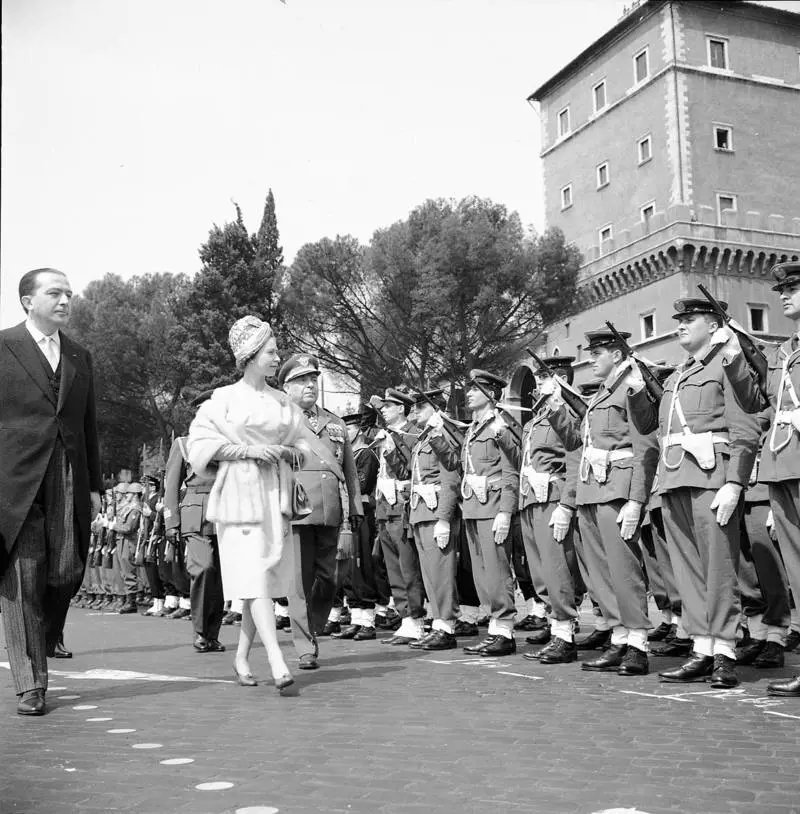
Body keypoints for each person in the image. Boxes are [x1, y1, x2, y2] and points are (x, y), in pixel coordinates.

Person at [626, 299, 761, 689]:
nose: (681, 325)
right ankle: (702, 646)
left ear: (713, 325)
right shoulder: (675, 377)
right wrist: (636, 392)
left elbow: (745, 426)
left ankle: (725, 652)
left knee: (718, 569)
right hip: (673, 480)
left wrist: (734, 482)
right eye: (679, 320)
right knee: (686, 571)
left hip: (710, 478)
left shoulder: (726, 365)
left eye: (690, 319)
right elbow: (651, 428)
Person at [0, 268, 102, 716]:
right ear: (28, 301)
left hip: (67, 474)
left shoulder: (80, 355)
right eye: (55, 293)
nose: (65, 301)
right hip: (12, 482)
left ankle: (41, 635)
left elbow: (88, 425)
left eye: (69, 294)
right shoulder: (3, 346)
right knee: (22, 577)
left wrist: (94, 484)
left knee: (66, 570)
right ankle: (30, 684)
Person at [188, 315, 306, 692]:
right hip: (238, 497)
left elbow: (304, 447)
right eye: (271, 352)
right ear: (251, 356)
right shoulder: (224, 399)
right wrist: (250, 451)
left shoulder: (282, 401)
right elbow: (200, 448)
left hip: (274, 496)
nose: (277, 358)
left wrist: (285, 452)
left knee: (263, 583)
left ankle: (241, 657)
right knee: (255, 579)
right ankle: (276, 659)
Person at [542, 328, 659, 677]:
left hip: (618, 489)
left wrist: (636, 500)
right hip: (592, 490)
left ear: (617, 355)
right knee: (600, 574)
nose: (591, 359)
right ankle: (619, 637)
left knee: (624, 571)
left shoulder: (630, 388)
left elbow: (645, 447)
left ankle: (637, 643)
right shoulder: (600, 394)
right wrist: (555, 408)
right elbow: (578, 443)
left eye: (598, 353)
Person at [714, 260, 800, 697]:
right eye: (781, 289)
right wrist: (733, 356)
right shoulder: (783, 353)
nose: (783, 294)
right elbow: (756, 402)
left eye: (792, 287)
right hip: (782, 466)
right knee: (798, 568)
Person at [277, 354, 364, 668]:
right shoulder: (277, 422)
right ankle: (304, 645)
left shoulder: (335, 422)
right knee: (298, 583)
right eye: (301, 380)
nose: (310, 385)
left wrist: (355, 508)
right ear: (286, 387)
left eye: (313, 379)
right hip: (296, 511)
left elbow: (349, 470)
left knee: (331, 579)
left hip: (331, 510)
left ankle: (311, 628)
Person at [456, 370, 520, 657]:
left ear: (491, 394)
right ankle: (495, 628)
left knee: (497, 571)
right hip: (473, 507)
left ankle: (505, 631)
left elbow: (511, 471)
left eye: (475, 389)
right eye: (469, 389)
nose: (468, 394)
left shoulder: (500, 426)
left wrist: (505, 512)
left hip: (493, 506)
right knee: (482, 574)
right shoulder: (473, 428)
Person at [164, 399, 226, 653]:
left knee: (220, 577)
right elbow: (171, 485)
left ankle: (212, 634)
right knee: (203, 568)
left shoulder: (229, 444)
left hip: (224, 513)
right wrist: (171, 522)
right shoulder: (183, 444)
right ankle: (200, 631)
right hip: (196, 514)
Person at [405, 390, 462, 650]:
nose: (414, 412)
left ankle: (447, 626)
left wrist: (444, 518)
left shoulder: (443, 434)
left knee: (441, 574)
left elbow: (451, 478)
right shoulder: (424, 437)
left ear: (435, 409)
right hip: (420, 512)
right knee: (430, 575)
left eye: (420, 407)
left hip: (435, 512)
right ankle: (439, 622)